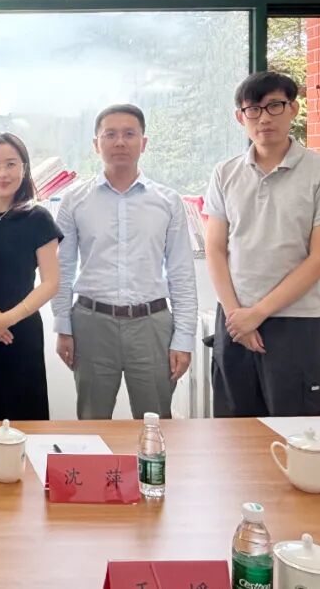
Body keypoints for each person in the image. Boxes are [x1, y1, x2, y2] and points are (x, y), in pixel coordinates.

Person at [205, 71, 320, 417]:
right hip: (233, 320)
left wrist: (257, 314)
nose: (264, 118)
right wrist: (236, 317)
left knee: (297, 426)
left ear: (293, 109)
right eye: (253, 110)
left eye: (274, 106)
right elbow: (215, 249)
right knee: (233, 428)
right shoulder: (225, 173)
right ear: (240, 117)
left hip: (295, 321)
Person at [51, 105, 197, 420]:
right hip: (91, 324)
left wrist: (184, 338)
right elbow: (62, 268)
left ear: (143, 143)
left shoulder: (168, 201)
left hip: (151, 325)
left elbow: (181, 273)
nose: (120, 142)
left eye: (129, 134)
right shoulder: (74, 200)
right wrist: (63, 326)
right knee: (92, 421)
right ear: (96, 144)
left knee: (155, 423)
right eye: (110, 134)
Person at [0, 133, 62, 421]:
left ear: (24, 168)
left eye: (11, 164)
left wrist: (7, 319)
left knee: (26, 416)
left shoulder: (38, 218)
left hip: (22, 327)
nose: (2, 173)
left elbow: (51, 282)